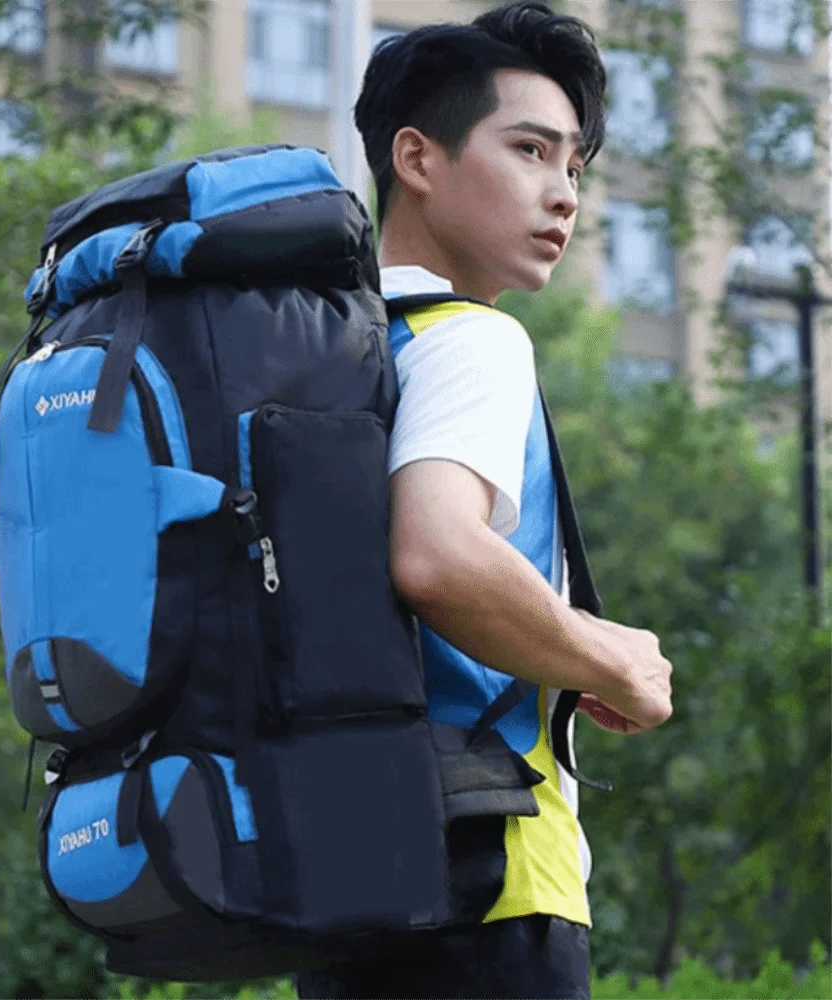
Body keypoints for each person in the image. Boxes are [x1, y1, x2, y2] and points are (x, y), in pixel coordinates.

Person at [295, 3, 674, 998]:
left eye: (575, 167)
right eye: (530, 150)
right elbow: (437, 556)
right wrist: (615, 659)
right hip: (490, 872)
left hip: (339, 870)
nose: (563, 194)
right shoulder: (472, 338)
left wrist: (557, 636)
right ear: (417, 158)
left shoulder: (332, 355)